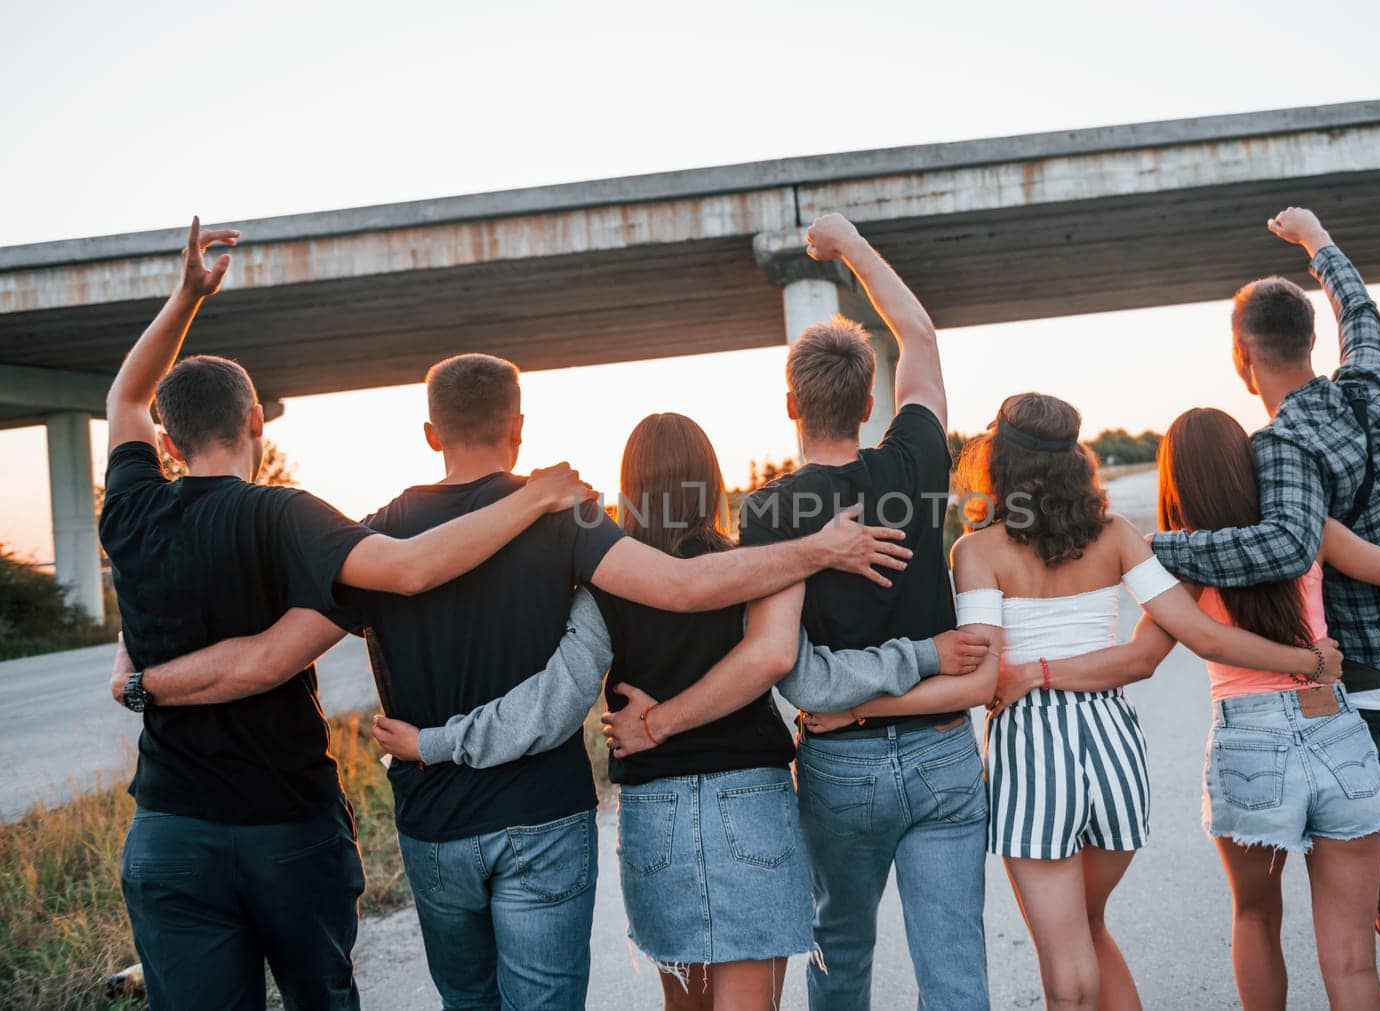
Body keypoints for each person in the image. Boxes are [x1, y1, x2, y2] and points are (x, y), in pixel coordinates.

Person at [113, 350, 912, 1011]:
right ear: (519, 425)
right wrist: (816, 550)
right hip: (544, 816)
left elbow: (276, 652)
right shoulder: (563, 518)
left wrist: (145, 673)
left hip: (433, 820)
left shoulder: (378, 531)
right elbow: (682, 586)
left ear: (431, 433)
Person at [100, 220, 598, 1010]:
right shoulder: (284, 514)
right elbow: (405, 569)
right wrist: (536, 493)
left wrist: (187, 295)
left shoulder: (128, 507)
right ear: (257, 419)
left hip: (168, 827)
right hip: (284, 825)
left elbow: (124, 392)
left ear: (165, 440)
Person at [369, 411, 989, 1010]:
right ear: (712, 479)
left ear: (631, 488)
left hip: (654, 812)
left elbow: (553, 702)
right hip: (752, 801)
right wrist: (923, 655)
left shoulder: (605, 591)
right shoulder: (755, 567)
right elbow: (808, 674)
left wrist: (437, 742)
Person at [805, 392, 1345, 1011]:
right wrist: (1309, 661)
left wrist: (856, 710)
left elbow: (984, 682)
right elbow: (1190, 639)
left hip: (1035, 753)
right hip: (1114, 744)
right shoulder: (1116, 536)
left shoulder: (978, 552)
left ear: (997, 464)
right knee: (1090, 929)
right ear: (1076, 461)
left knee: (1066, 969)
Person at [603, 212, 988, 1010]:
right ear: (871, 394)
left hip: (840, 761)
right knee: (954, 969)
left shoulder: (774, 509)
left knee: (837, 954)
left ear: (791, 405)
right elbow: (917, 332)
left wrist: (660, 722)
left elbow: (777, 655)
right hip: (945, 751)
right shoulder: (916, 457)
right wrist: (848, 246)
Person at [996, 407, 1380, 1010]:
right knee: (1353, 958)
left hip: (1250, 743)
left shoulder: (1187, 561)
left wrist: (1036, 674)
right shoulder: (1311, 531)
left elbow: (1138, 659)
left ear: (1174, 483)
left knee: (1256, 916)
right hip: (1333, 728)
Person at [1150, 208, 1380, 1010]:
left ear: (1242, 355)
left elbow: (1282, 547)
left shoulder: (1280, 448)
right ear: (1311, 334)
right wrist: (1317, 240)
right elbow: (1362, 313)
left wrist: (1155, 553)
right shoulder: (1374, 381)